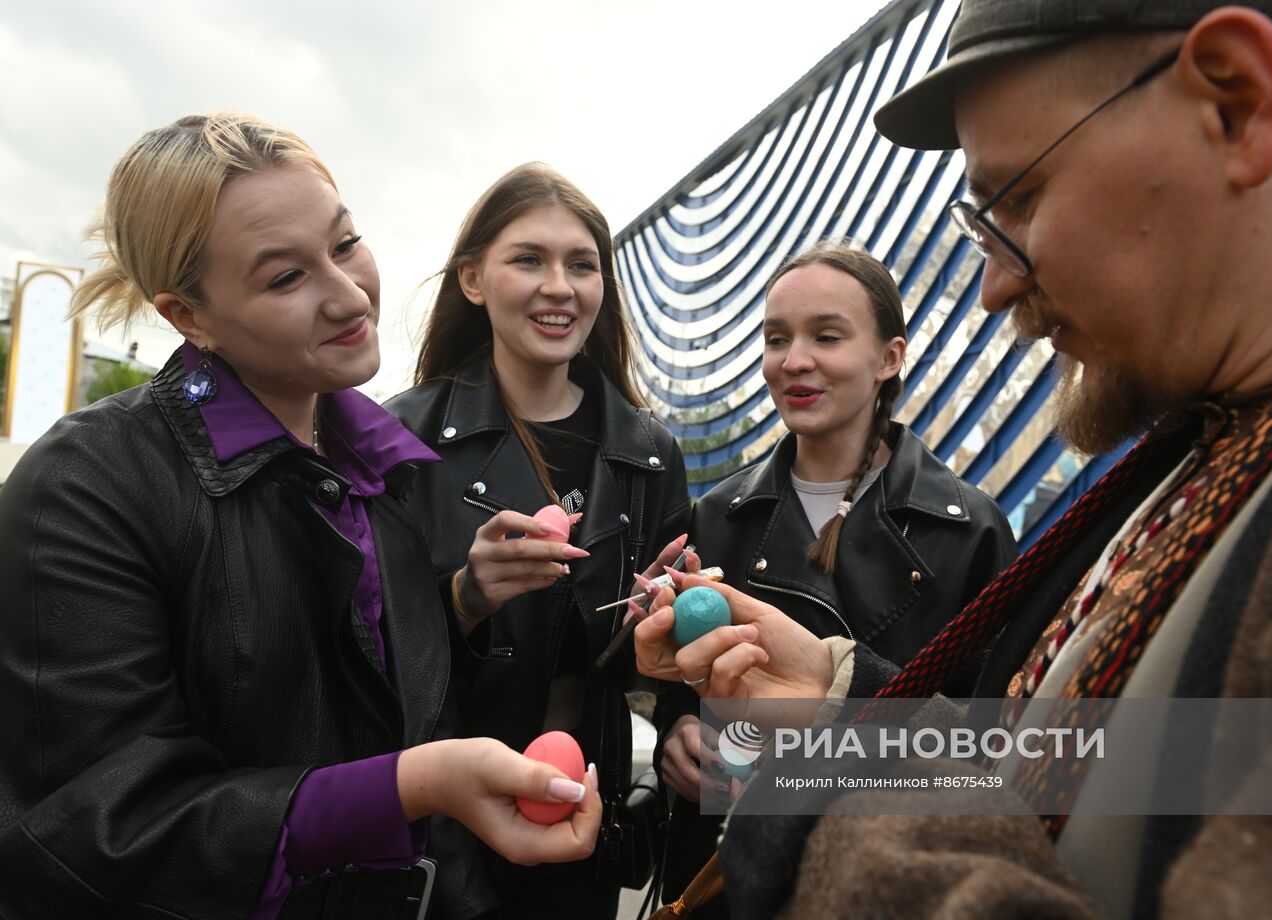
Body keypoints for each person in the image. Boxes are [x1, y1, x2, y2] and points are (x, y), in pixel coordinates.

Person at [634, 2, 1272, 917]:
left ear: (1234, 102)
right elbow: (1063, 770)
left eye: (1021, 198)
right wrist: (839, 701)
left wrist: (836, 775)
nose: (997, 286)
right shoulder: (1215, 447)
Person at [0, 114, 601, 920]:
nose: (350, 294)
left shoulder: (376, 466)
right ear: (189, 316)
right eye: (286, 278)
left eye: (346, 243)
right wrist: (414, 787)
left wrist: (460, 602)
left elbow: (367, 697)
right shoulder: (87, 486)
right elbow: (96, 829)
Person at [650, 242, 1015, 913]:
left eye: (827, 336)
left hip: (882, 883)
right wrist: (676, 727)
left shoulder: (972, 531)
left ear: (890, 358)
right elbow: (678, 674)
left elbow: (999, 740)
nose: (794, 361)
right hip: (716, 880)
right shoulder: (715, 516)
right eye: (775, 338)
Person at [386, 162, 692, 918]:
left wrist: (659, 625)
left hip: (580, 813)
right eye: (529, 259)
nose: (560, 286)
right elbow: (356, 653)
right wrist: (466, 596)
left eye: (582, 265)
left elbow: (662, 673)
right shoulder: (402, 439)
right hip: (436, 817)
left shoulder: (649, 453)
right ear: (473, 281)